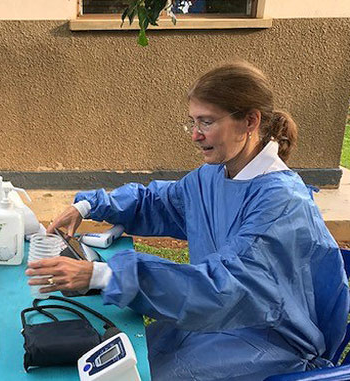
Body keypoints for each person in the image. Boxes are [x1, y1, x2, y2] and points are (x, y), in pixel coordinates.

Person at [27, 62, 349, 380]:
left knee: (138, 370)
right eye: (192, 122)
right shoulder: (215, 175)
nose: (195, 135)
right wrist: (87, 206)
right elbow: (158, 202)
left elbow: (224, 285)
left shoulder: (282, 203)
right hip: (213, 322)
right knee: (120, 358)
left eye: (206, 122)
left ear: (250, 121)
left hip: (268, 343)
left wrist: (103, 274)